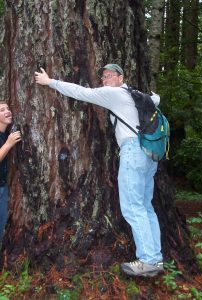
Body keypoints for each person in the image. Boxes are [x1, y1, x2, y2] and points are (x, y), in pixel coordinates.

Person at [35, 64, 164, 277]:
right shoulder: (138, 95)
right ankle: (156, 258)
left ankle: (148, 260)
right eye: (103, 76)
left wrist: (51, 82)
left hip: (133, 151)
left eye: (110, 75)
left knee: (133, 207)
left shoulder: (114, 93)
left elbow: (81, 92)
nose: (105, 79)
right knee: (145, 207)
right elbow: (157, 99)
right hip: (150, 154)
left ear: (121, 78)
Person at [0, 101, 22, 245]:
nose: (7, 111)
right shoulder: (6, 138)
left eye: (8, 108)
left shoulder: (5, 133)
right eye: (2, 110)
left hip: (3, 187)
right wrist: (8, 144)